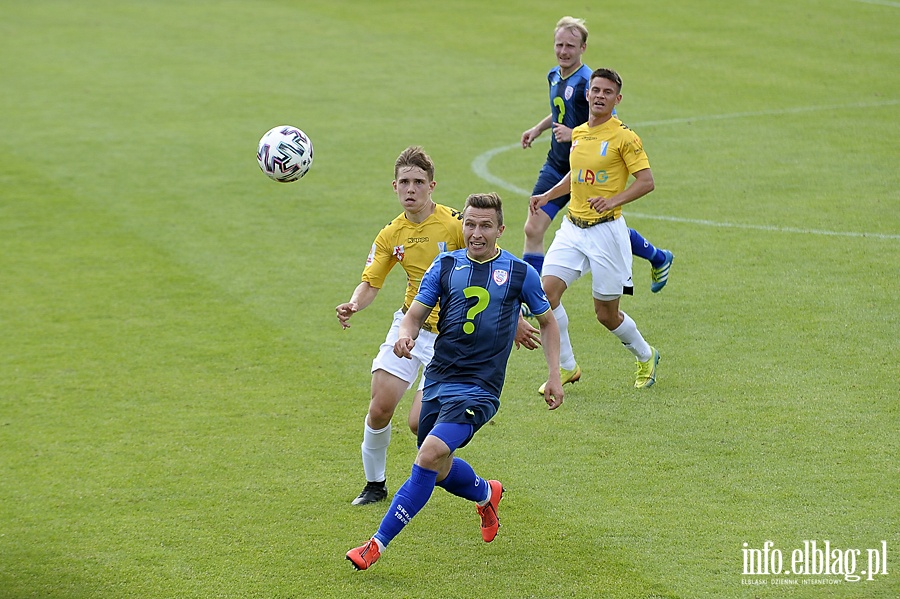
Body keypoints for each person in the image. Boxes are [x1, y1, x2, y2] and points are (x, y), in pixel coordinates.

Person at [346, 192, 564, 571]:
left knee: (428, 454)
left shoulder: (518, 273)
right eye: (470, 224)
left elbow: (547, 321)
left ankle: (374, 546)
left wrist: (554, 376)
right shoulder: (445, 265)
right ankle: (485, 492)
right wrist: (406, 335)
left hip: (480, 387)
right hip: (439, 376)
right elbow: (414, 314)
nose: (476, 233)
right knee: (438, 464)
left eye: (485, 226)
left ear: (500, 229)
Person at [336, 146, 465, 506]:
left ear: (432, 186)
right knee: (379, 407)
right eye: (404, 182)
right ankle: (374, 485)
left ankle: (466, 481)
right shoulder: (391, 234)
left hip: (451, 338)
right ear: (394, 187)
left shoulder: (455, 224)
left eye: (418, 182)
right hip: (411, 326)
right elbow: (372, 281)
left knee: (418, 424)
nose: (411, 189)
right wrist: (354, 303)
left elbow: (488, 260)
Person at [520, 16, 674, 304]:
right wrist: (539, 129)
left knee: (603, 226)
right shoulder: (555, 75)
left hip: (592, 170)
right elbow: (560, 110)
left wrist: (575, 135)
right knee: (533, 227)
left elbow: (608, 123)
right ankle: (533, 299)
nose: (564, 51)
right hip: (557, 165)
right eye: (559, 45)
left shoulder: (587, 82)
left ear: (583, 48)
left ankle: (658, 257)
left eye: (570, 46)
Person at [530, 68, 661, 391]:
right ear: (587, 94)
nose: (600, 96)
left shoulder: (625, 137)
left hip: (606, 233)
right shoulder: (579, 134)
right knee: (545, 295)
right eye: (596, 90)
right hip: (573, 228)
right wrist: (548, 195)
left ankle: (645, 354)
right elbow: (576, 176)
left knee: (605, 314)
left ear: (617, 99)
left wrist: (613, 199)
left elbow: (646, 182)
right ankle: (567, 367)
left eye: (607, 92)